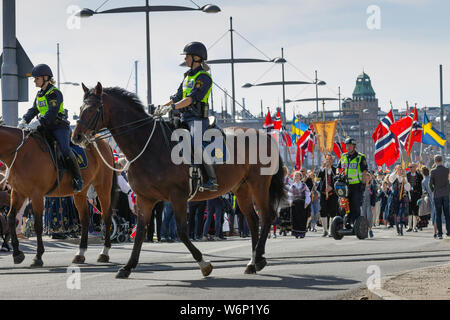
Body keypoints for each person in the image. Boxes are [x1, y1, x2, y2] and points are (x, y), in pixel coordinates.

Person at [17, 64, 83, 192]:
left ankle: (77, 178)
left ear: (45, 77)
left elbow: (52, 112)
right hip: (44, 127)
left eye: (37, 79)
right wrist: (25, 120)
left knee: (64, 150)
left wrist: (38, 122)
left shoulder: (54, 93)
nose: (34, 81)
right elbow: (34, 109)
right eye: (34, 79)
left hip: (59, 127)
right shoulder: (39, 94)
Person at [161, 42, 217, 191]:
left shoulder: (204, 77)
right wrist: (162, 107)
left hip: (197, 119)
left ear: (196, 58)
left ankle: (212, 180)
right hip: (184, 117)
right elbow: (177, 96)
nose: (185, 59)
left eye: (187, 56)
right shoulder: (187, 77)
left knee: (196, 144)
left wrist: (173, 107)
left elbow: (191, 98)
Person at [337, 137, 368, 227]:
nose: (348, 147)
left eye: (350, 145)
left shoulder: (360, 157)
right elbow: (338, 168)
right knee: (345, 204)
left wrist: (363, 183)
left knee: (355, 204)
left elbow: (364, 171)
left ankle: (356, 222)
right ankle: (347, 221)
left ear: (354, 146)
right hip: (345, 185)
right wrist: (339, 174)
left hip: (356, 185)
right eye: (347, 146)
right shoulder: (343, 156)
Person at [429, 155, 450, 239]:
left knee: (438, 214)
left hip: (437, 194)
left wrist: (433, 190)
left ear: (435, 162)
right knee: (447, 214)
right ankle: (448, 232)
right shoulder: (447, 170)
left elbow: (430, 184)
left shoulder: (433, 171)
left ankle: (440, 233)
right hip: (446, 194)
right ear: (441, 161)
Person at [318, 154, 339, 237]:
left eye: (330, 159)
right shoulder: (323, 170)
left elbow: (337, 181)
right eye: (327, 159)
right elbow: (318, 177)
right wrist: (322, 168)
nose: (328, 161)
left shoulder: (334, 170)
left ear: (332, 161)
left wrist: (332, 188)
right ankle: (325, 230)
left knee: (332, 211)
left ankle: (331, 230)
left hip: (332, 194)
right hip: (323, 194)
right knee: (323, 210)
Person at [388, 165, 411, 236]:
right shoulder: (394, 177)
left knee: (401, 213)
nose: (400, 170)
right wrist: (395, 171)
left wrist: (405, 183)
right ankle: (397, 229)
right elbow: (390, 179)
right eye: (398, 169)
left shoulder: (404, 178)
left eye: (401, 169)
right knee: (396, 213)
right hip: (395, 198)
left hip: (402, 198)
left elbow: (408, 188)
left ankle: (401, 229)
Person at [289, 171, 311, 238]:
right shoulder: (292, 186)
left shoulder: (304, 185)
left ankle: (302, 233)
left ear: (300, 177)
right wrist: (290, 202)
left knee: (302, 219)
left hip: (302, 204)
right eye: (295, 176)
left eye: (298, 176)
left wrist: (307, 202)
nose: (296, 177)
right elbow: (290, 195)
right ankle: (296, 233)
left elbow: (308, 194)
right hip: (295, 205)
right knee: (295, 219)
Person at [406, 163, 423, 232]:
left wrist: (420, 196)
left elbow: (421, 187)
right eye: (409, 167)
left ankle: (414, 226)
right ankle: (409, 226)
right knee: (409, 211)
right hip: (409, 195)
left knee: (415, 211)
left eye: (412, 167)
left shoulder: (419, 176)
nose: (410, 168)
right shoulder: (407, 175)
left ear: (415, 167)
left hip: (416, 195)